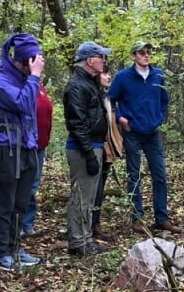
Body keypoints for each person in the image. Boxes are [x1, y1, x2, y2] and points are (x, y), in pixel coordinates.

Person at [107, 40, 180, 234]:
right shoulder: (123, 77)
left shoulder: (158, 75)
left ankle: (162, 218)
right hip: (132, 132)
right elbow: (110, 99)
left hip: (152, 133)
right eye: (141, 52)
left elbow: (164, 100)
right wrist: (121, 118)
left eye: (148, 52)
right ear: (133, 56)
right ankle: (136, 218)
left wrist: (159, 118)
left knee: (160, 175)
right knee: (134, 175)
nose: (145, 55)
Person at [0, 33, 45, 271]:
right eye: (31, 63)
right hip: (6, 147)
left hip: (27, 146)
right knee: (5, 201)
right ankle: (0, 253)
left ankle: (15, 247)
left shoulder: (27, 79)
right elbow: (21, 103)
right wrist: (34, 77)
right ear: (22, 61)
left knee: (21, 201)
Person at [64, 40, 112, 256]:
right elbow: (76, 123)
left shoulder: (90, 83)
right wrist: (89, 154)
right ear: (90, 60)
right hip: (84, 148)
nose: (104, 61)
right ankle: (78, 242)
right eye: (101, 57)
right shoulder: (76, 86)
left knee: (90, 196)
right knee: (81, 197)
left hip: (95, 145)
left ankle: (85, 239)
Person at [92, 67, 123, 242]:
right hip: (96, 147)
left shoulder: (106, 96)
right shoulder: (94, 95)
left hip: (107, 150)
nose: (108, 76)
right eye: (104, 73)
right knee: (92, 189)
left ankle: (95, 225)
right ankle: (87, 228)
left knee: (99, 189)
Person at [20, 81, 53, 238]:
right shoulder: (19, 84)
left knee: (33, 185)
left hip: (40, 144)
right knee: (22, 185)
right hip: (25, 145)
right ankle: (18, 225)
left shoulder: (39, 85)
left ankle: (27, 223)